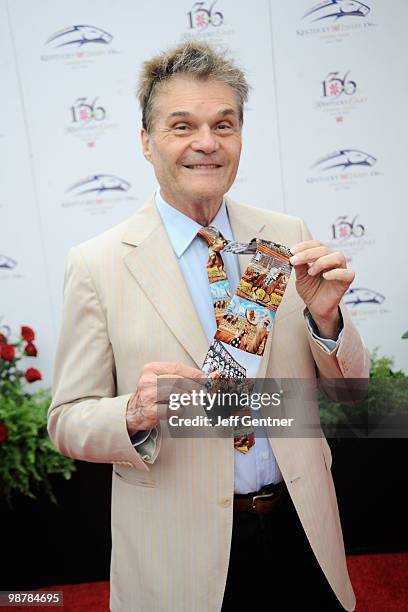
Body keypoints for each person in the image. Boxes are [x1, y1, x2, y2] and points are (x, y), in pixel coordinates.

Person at [48, 41, 370, 611]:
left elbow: (351, 392)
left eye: (224, 124)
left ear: (240, 137)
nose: (206, 142)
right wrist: (134, 412)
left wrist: (327, 319)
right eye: (182, 125)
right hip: (182, 555)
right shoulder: (98, 263)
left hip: (302, 530)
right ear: (146, 141)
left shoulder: (285, 233)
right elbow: (67, 422)